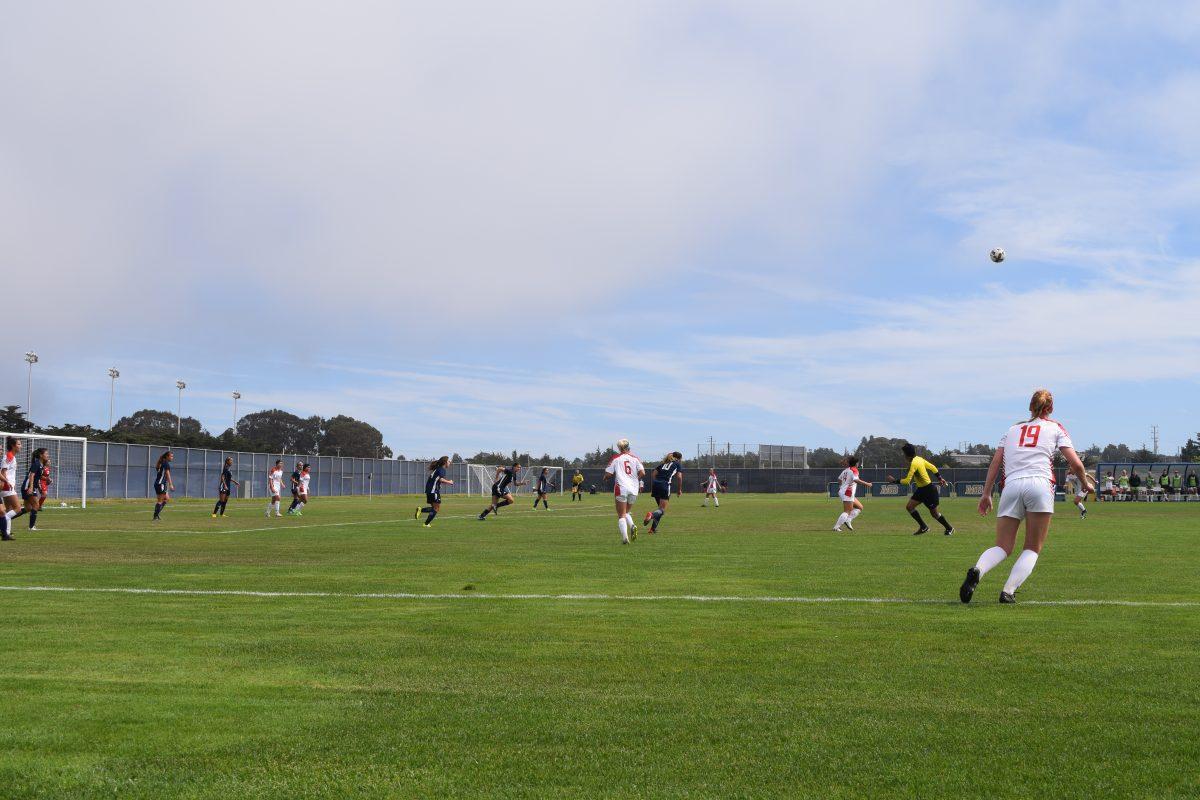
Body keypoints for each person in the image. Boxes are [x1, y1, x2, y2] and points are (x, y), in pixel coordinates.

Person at [960, 389, 1092, 604]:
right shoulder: (1055, 427)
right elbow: (1076, 464)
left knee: (1002, 546)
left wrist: (986, 493)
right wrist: (1085, 484)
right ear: (1050, 408)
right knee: (1032, 547)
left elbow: (995, 462)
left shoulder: (1012, 429)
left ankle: (978, 569)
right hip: (1040, 484)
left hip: (1011, 485)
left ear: (1030, 407)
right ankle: (1008, 592)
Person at [887, 444, 953, 535]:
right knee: (909, 507)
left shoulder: (914, 463)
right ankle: (923, 527)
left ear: (907, 455)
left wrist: (894, 481)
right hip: (921, 490)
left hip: (929, 490)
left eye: (904, 454)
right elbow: (933, 467)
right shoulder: (919, 459)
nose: (903, 456)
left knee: (934, 514)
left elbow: (907, 481)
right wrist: (940, 478)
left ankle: (949, 528)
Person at [604, 439, 645, 544]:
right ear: (628, 447)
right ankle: (632, 526)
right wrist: (635, 480)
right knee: (626, 512)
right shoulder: (635, 458)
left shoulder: (616, 458)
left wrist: (605, 477)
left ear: (619, 448)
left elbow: (608, 474)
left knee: (621, 515)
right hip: (633, 488)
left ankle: (625, 538)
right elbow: (642, 472)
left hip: (621, 487)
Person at [644, 452, 684, 533]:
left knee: (660, 509)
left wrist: (657, 481)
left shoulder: (664, 464)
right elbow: (679, 477)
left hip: (656, 484)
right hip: (665, 485)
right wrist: (679, 489)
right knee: (662, 510)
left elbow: (654, 473)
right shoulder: (677, 464)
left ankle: (652, 529)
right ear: (679, 458)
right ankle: (651, 515)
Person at [11, 447, 48, 532]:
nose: (47, 455)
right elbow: (31, 475)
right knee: (36, 505)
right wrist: (31, 487)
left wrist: (43, 483)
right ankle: (31, 527)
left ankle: (5, 518)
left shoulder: (41, 465)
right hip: (28, 486)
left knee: (27, 508)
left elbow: (37, 477)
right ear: (41, 455)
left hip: (30, 486)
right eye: (46, 454)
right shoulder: (36, 463)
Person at [833, 455, 873, 532]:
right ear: (856, 463)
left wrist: (841, 486)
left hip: (844, 491)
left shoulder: (846, 470)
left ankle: (848, 520)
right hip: (848, 492)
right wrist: (867, 484)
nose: (858, 464)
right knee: (847, 511)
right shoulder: (854, 470)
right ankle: (836, 527)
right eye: (858, 463)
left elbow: (839, 479)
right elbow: (856, 480)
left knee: (860, 507)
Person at [416, 456, 453, 527]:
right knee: (436, 508)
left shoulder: (437, 469)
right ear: (445, 462)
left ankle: (421, 511)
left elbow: (436, 479)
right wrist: (449, 482)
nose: (450, 462)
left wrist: (438, 485)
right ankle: (425, 523)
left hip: (429, 490)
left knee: (434, 508)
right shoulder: (442, 469)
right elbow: (441, 479)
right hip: (433, 491)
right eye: (448, 461)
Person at [1, 438, 24, 540]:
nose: (20, 446)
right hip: (7, 487)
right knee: (17, 509)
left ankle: (6, 533)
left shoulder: (12, 457)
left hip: (7, 486)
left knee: (9, 509)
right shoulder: (9, 456)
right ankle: (3, 525)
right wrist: (7, 483)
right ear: (13, 446)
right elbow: (3, 471)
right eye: (19, 444)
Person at [152, 451, 174, 521]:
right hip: (160, 484)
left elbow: (157, 467)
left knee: (167, 499)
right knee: (160, 500)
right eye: (171, 456)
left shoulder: (162, 462)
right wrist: (171, 484)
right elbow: (167, 474)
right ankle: (155, 516)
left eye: (172, 456)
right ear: (167, 457)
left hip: (161, 484)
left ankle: (157, 514)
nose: (172, 458)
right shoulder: (165, 463)